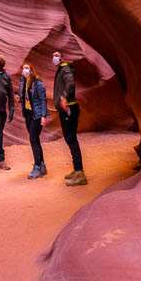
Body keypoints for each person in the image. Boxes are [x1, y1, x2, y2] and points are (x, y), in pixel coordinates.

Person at [53, 50, 87, 186]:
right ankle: (76, 170)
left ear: (62, 58)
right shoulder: (62, 70)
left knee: (71, 139)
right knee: (69, 138)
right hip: (66, 108)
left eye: (56, 55)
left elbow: (70, 83)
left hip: (69, 108)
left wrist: (64, 97)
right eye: (53, 56)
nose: (54, 58)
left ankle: (80, 173)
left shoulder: (66, 69)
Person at [17, 62, 48, 179]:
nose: (25, 70)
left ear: (31, 70)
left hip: (37, 116)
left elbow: (43, 100)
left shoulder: (38, 83)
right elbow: (25, 99)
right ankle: (42, 166)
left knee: (33, 140)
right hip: (28, 115)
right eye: (23, 68)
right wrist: (19, 99)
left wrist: (44, 116)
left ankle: (37, 167)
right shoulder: (23, 82)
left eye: (27, 68)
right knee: (36, 140)